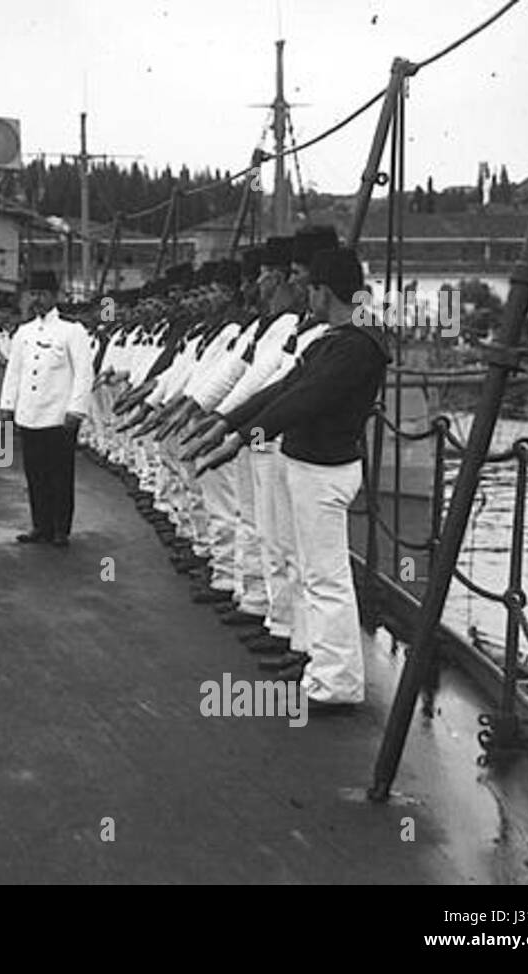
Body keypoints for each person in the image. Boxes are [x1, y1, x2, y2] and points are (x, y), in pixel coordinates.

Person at [187, 246, 390, 706]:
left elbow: (305, 399)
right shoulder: (337, 339)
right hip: (310, 465)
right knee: (310, 572)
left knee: (326, 580)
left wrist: (239, 440)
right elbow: (284, 387)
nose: (306, 296)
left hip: (325, 470)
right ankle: (313, 658)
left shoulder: (355, 345)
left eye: (310, 287)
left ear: (325, 290)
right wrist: (228, 425)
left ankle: (337, 684)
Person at [0, 270, 93, 547]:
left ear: (55, 296)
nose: (36, 300)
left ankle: (60, 528)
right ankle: (40, 526)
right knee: (35, 474)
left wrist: (76, 410)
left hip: (58, 416)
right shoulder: (23, 333)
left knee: (60, 476)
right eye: (33, 294)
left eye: (41, 294)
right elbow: (13, 371)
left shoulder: (72, 330)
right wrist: (7, 405)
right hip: (30, 415)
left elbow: (83, 374)